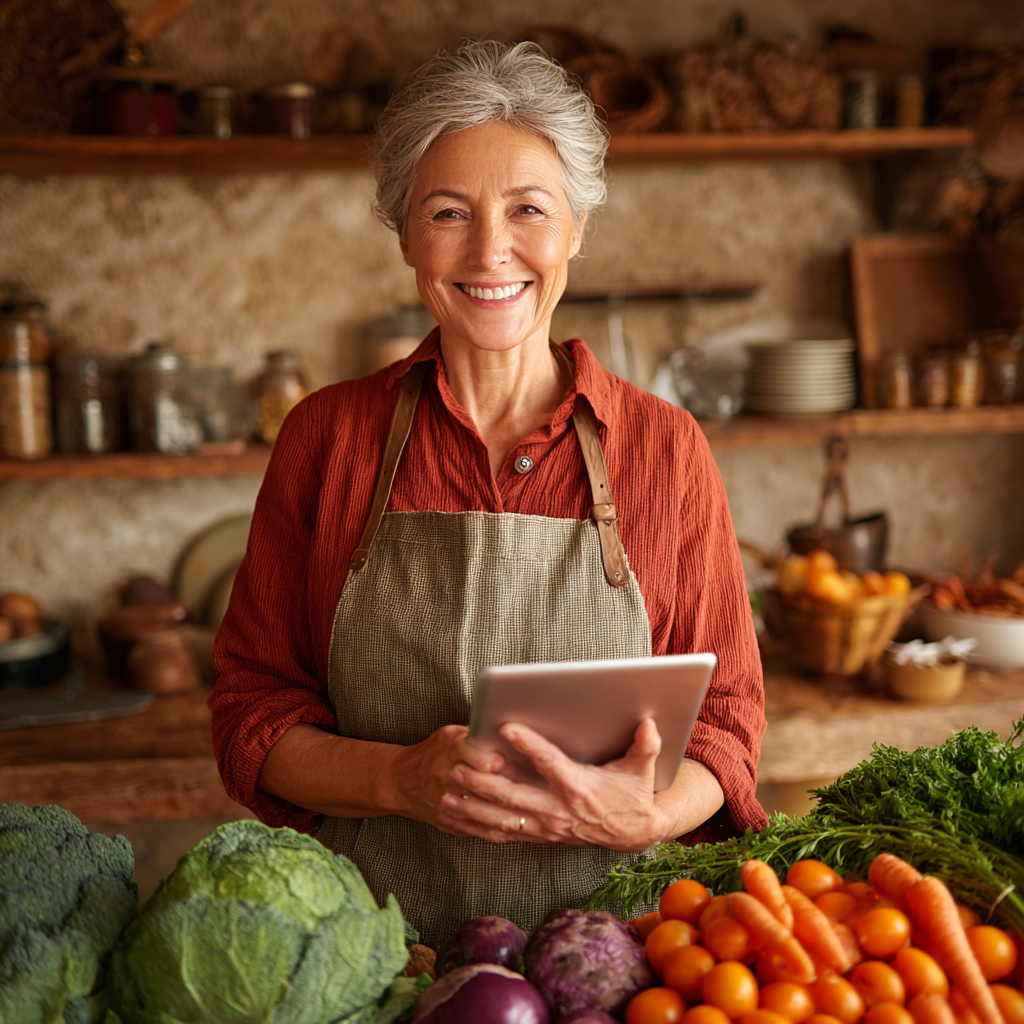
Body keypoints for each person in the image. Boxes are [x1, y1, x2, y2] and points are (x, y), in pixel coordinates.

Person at [211, 39, 766, 948]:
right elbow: (254, 712)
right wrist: (395, 780)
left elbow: (729, 725)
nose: (490, 250)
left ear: (577, 229)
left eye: (528, 209)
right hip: (383, 957)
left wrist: (652, 820)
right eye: (448, 212)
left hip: (623, 966)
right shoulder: (327, 438)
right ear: (404, 235)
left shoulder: (666, 449)